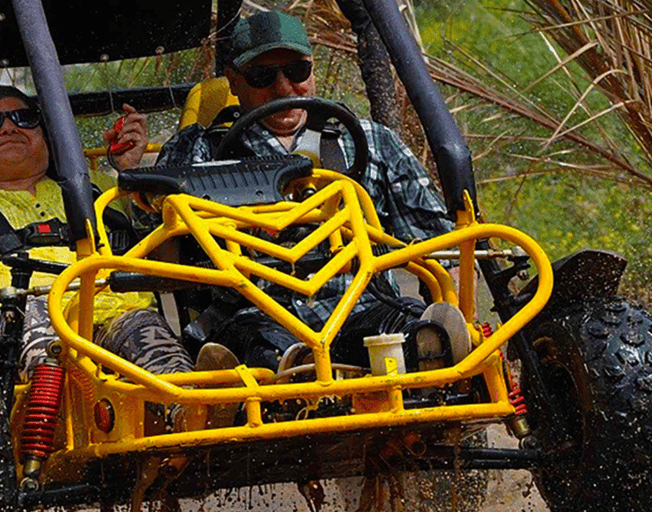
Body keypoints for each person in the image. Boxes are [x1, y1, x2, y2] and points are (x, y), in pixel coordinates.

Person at [151, 11, 456, 371]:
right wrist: (131, 173)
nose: (283, 88)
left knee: (418, 337)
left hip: (364, 308)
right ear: (233, 81)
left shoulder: (368, 141)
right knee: (267, 356)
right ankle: (289, 381)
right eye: (263, 76)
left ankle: (432, 371)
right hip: (258, 317)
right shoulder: (201, 150)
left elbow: (442, 246)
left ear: (313, 68)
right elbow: (158, 248)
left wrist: (455, 311)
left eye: (296, 72)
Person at [0, 84, 195, 383]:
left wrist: (131, 173)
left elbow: (173, 267)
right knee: (31, 321)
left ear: (45, 136)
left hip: (114, 313)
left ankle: (195, 410)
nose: (7, 128)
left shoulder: (99, 189)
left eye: (23, 118)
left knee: (147, 331)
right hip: (11, 329)